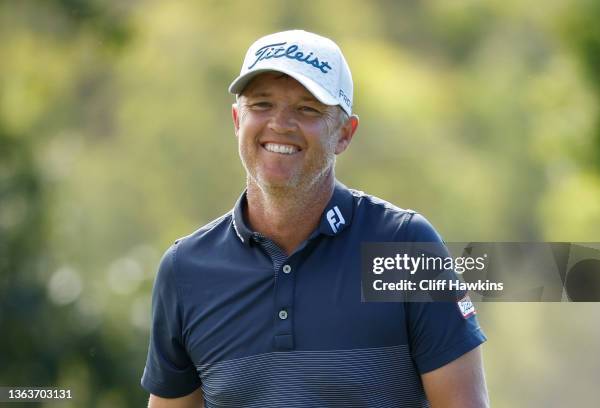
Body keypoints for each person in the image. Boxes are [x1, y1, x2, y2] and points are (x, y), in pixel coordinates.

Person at [141, 29, 489, 408]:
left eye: (307, 109)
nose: (281, 124)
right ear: (237, 120)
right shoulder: (185, 270)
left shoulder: (405, 247)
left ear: (344, 134)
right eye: (261, 104)